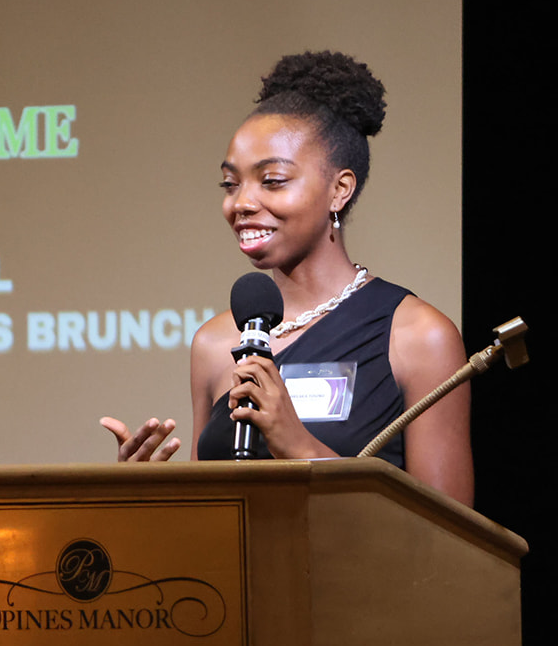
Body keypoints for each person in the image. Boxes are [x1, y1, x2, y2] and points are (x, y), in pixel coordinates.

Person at [101, 51, 473, 506]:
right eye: (230, 184)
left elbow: (449, 533)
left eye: (272, 181)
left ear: (339, 189)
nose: (241, 203)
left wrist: (299, 447)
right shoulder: (216, 343)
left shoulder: (418, 338)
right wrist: (148, 498)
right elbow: (214, 519)